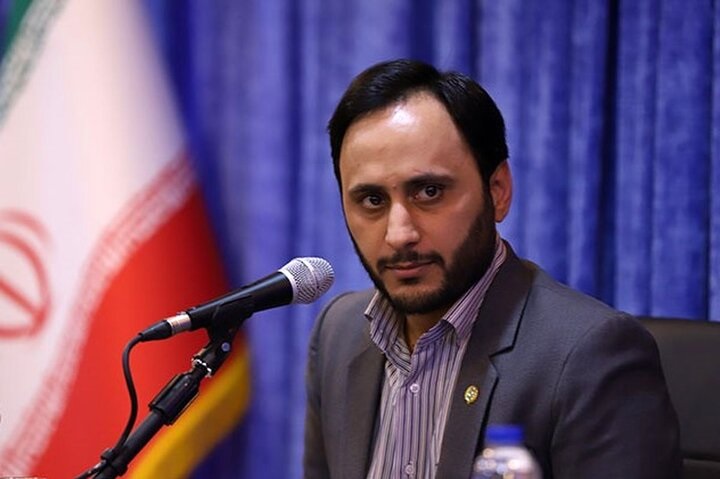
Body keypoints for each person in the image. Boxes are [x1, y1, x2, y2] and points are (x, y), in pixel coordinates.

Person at [303, 59, 681, 479]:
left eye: (429, 192)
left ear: (497, 191)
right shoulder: (338, 332)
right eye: (372, 201)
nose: (399, 234)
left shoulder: (589, 356)